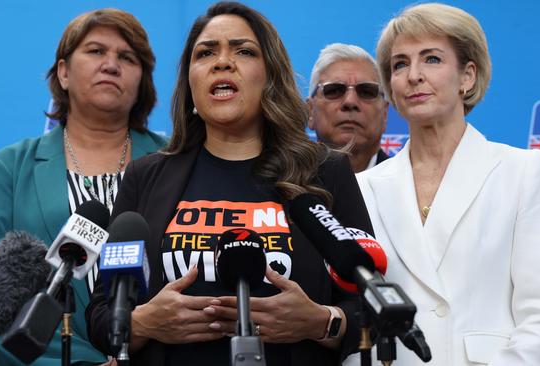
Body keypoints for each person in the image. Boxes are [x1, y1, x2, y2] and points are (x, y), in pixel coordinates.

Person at [86, 2, 373, 365]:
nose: (223, 62)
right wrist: (142, 323)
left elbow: (371, 306)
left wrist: (321, 322)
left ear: (270, 76)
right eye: (205, 53)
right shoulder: (146, 176)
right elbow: (100, 316)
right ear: (190, 83)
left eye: (244, 51)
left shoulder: (326, 173)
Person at [355, 3, 540, 365]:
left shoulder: (521, 170)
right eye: (400, 64)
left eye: (432, 59)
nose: (413, 75)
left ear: (467, 76)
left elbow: (539, 316)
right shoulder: (364, 185)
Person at [0, 8, 166, 366]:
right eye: (96, 51)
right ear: (63, 72)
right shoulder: (6, 170)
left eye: (127, 57)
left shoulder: (175, 161)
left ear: (142, 81)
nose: (111, 64)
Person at [307, 43, 389, 173]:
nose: (350, 101)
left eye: (366, 92)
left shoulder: (412, 186)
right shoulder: (281, 187)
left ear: (385, 113)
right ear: (310, 111)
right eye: (334, 90)